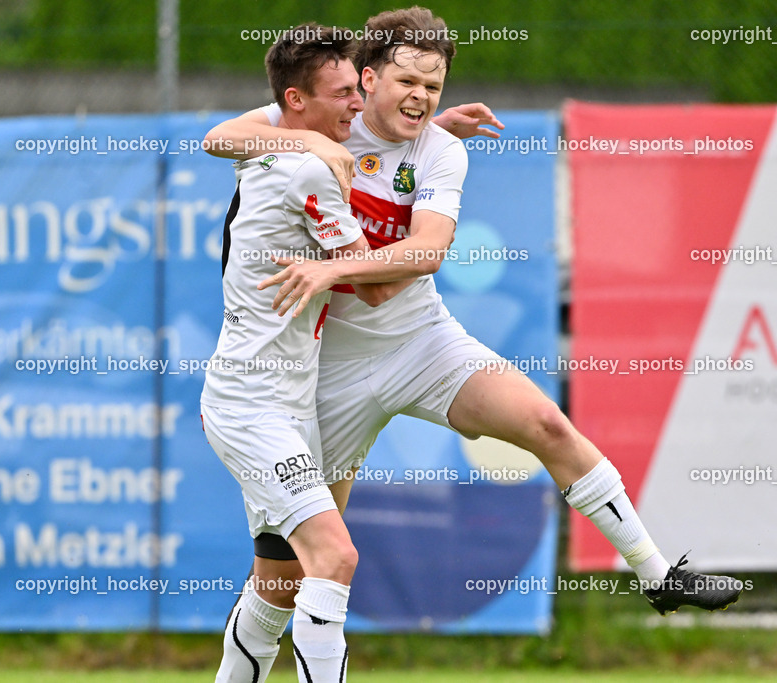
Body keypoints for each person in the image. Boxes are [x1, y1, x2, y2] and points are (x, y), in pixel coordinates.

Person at [207, 6, 744, 678]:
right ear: (367, 80)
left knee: (547, 422)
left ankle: (658, 574)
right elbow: (220, 136)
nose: (421, 98)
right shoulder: (318, 124)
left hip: (424, 342)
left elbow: (429, 249)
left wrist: (338, 263)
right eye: (406, 80)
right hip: (329, 377)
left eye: (432, 87)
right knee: (285, 578)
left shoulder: (439, 147)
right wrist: (307, 144)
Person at [200, 24, 401, 682]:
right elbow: (372, 286)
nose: (357, 103)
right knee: (334, 558)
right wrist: (430, 240)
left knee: (279, 586)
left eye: (358, 89)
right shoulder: (307, 164)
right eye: (344, 93)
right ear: (295, 100)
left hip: (282, 403)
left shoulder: (278, 142)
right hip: (254, 405)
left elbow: (222, 137)